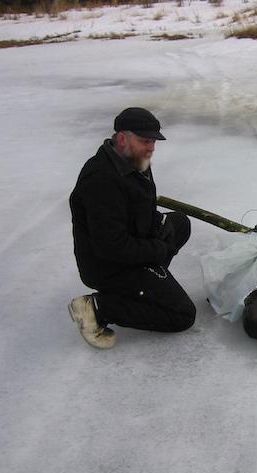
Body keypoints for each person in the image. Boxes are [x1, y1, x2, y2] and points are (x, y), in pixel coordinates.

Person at [68, 107, 196, 349]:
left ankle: (146, 283)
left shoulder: (134, 160)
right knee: (183, 314)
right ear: (122, 139)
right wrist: (158, 249)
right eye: (145, 141)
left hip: (131, 244)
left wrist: (158, 225)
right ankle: (98, 308)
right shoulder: (101, 181)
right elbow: (111, 247)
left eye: (154, 141)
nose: (151, 148)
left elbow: (138, 208)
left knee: (179, 224)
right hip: (108, 266)